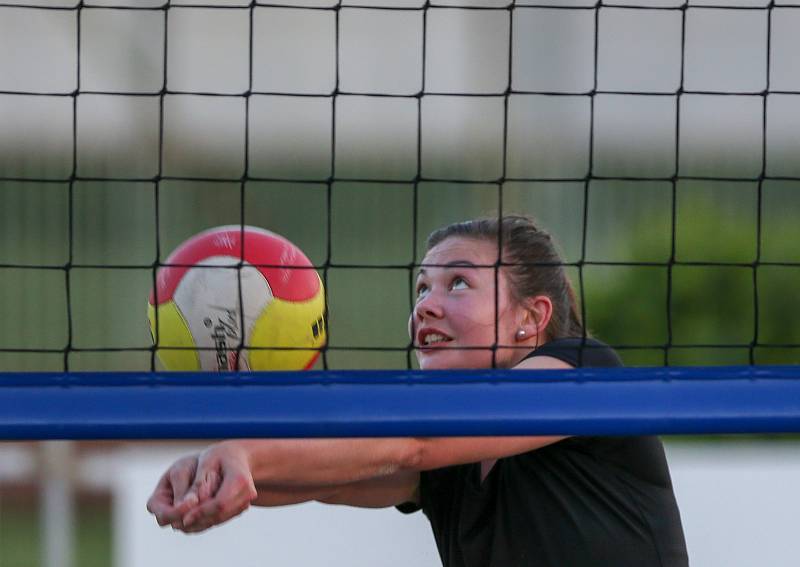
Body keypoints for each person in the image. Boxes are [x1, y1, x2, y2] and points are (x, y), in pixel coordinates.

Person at [146, 215, 689, 566]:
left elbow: (412, 442)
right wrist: (209, 472)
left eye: (458, 283)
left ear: (531, 316)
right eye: (421, 287)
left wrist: (239, 456)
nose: (425, 305)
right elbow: (323, 476)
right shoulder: (448, 470)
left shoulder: (583, 370)